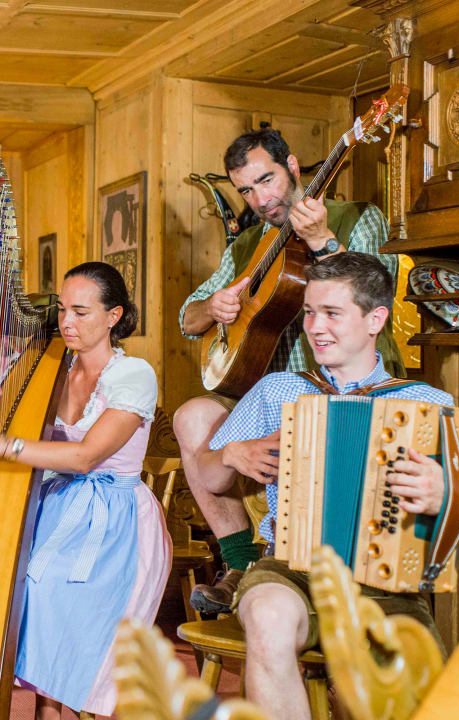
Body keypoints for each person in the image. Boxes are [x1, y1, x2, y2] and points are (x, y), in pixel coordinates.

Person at [199, 252, 459, 719]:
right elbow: (209, 478)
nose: (315, 327)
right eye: (310, 312)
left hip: (387, 585)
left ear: (375, 319)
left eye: (332, 313)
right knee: (265, 612)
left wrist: (447, 495)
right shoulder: (276, 390)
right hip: (290, 569)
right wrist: (231, 454)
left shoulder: (426, 404)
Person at [174, 127, 404, 614]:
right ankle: (239, 562)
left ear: (293, 167)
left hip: (346, 391)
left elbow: (372, 297)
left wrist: (322, 241)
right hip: (267, 395)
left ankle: (292, 582)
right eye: (246, 190)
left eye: (267, 180)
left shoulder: (358, 217)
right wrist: (213, 307)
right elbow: (187, 320)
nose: (260, 199)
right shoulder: (246, 246)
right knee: (191, 417)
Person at [0, 262, 171, 719]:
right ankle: (48, 709)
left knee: (48, 586)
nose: (67, 322)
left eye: (81, 312)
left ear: (113, 316)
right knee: (10, 578)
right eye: (62, 311)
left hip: (115, 520)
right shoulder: (53, 367)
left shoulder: (133, 375)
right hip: (59, 503)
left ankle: (61, 705)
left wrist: (3, 444)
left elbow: (86, 457)